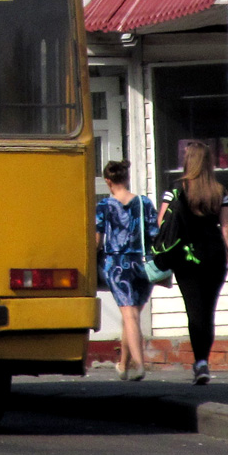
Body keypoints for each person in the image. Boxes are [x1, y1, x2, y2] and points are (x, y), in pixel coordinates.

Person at [158, 141, 228, 386]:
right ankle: (203, 360)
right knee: (208, 311)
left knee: (194, 312)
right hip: (214, 257)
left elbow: (162, 221)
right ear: (208, 163)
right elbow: (227, 230)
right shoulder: (219, 191)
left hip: (186, 257)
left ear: (188, 161)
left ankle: (200, 363)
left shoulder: (176, 190)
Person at [96, 159, 157, 381]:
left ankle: (140, 365)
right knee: (131, 316)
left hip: (117, 265)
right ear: (127, 178)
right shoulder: (144, 203)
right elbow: (153, 233)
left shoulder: (104, 206)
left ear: (108, 181)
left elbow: (97, 240)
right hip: (141, 264)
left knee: (129, 316)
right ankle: (123, 364)